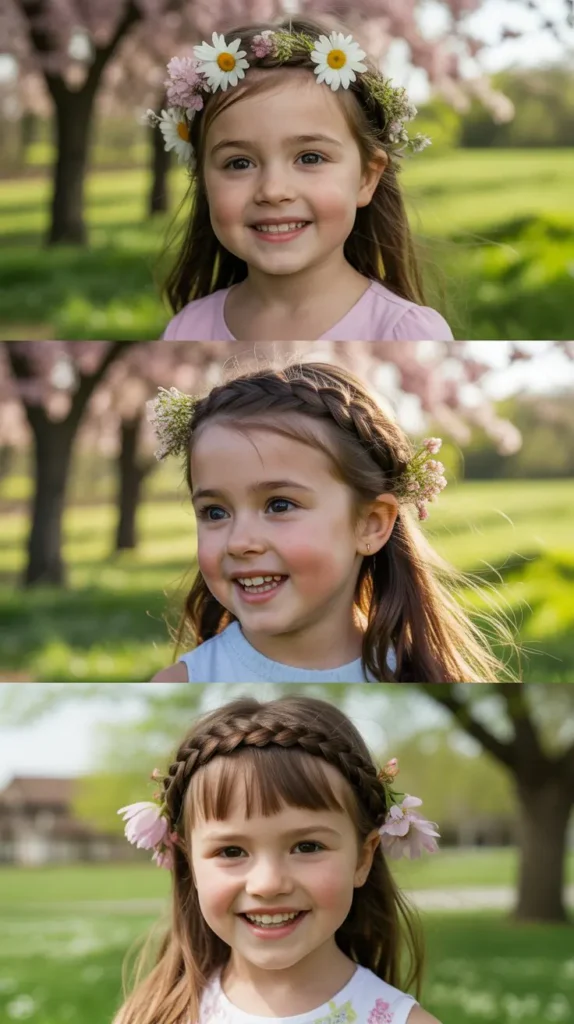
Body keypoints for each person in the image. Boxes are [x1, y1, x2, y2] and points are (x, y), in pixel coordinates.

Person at [147, 359, 516, 683]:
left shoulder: (422, 676)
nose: (239, 541)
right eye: (215, 512)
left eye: (279, 505)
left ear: (371, 524)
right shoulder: (181, 682)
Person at [113, 694, 443, 1024]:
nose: (268, 884)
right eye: (231, 851)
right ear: (191, 865)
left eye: (307, 847)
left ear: (362, 859)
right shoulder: (158, 1016)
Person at [144, 16, 454, 342]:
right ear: (204, 180)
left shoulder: (404, 331)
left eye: (310, 158)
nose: (273, 191)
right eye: (239, 163)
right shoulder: (186, 327)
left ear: (366, 178)